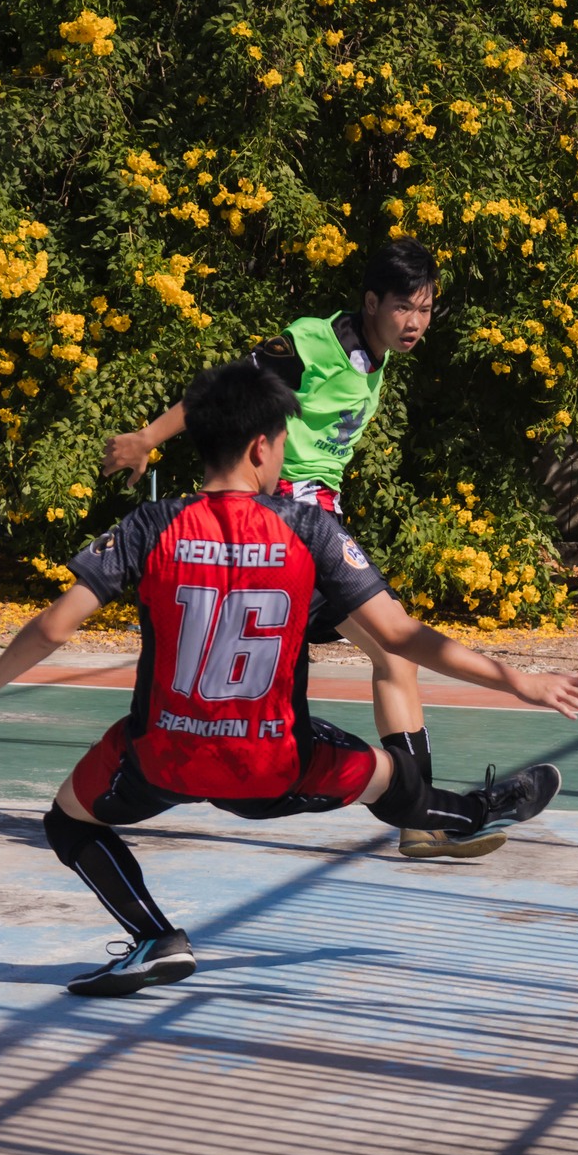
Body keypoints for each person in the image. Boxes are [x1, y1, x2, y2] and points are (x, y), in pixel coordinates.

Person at [0, 357, 578, 997]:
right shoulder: (309, 528)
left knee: (67, 822)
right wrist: (521, 681)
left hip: (162, 756)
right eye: (282, 442)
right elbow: (401, 636)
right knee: (396, 780)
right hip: (272, 765)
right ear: (261, 447)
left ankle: (156, 936)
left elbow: (55, 626)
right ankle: (471, 813)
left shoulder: (151, 524)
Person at [101, 238, 466, 859]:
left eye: (426, 309)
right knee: (395, 647)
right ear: (372, 301)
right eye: (404, 307)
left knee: (391, 656)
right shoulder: (312, 344)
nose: (415, 323)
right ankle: (420, 814)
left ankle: (416, 813)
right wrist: (146, 437)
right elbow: (227, 394)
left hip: (307, 522)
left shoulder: (372, 356)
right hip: (285, 521)